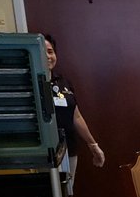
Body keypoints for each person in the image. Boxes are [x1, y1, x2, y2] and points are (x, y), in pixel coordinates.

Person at [43, 34, 105, 171]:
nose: (47, 56)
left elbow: (76, 116)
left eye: (50, 51)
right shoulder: (32, 85)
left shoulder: (63, 82)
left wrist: (93, 144)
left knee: (67, 190)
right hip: (43, 154)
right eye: (42, 52)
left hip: (68, 149)